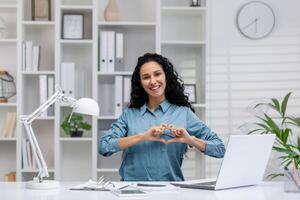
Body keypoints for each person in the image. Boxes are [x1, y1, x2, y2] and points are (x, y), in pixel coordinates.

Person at [99, 53, 225, 181]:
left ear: (166, 76)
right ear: (140, 83)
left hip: (170, 191)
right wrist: (143, 137)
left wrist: (190, 140)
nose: (153, 81)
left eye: (157, 74)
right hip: (131, 191)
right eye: (146, 77)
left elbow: (220, 149)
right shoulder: (129, 115)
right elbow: (104, 146)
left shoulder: (184, 114)